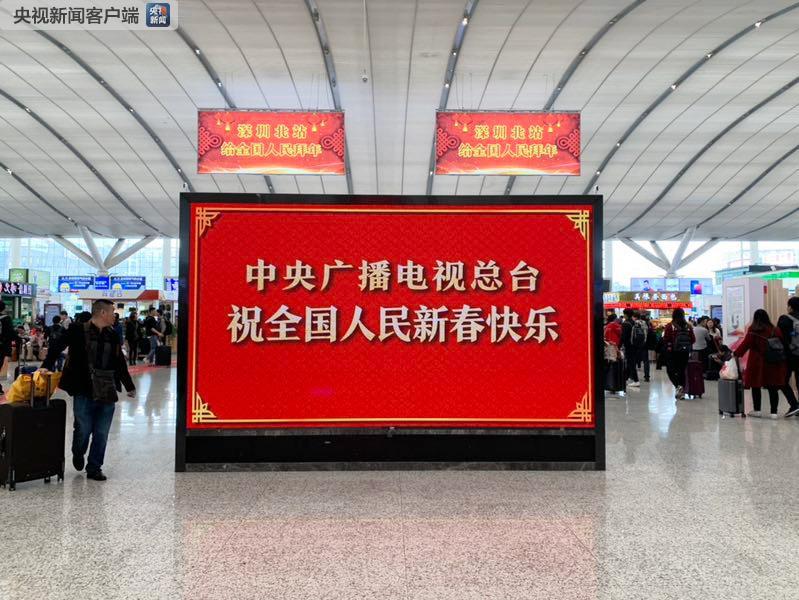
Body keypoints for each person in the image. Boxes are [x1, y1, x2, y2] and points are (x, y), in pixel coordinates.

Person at [41, 299, 135, 481]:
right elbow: (57, 346)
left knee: (102, 432)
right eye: (112, 312)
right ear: (102, 313)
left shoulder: (112, 334)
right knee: (83, 428)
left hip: (106, 388)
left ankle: (94, 467)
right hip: (83, 387)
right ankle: (78, 451)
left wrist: (129, 385)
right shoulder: (77, 330)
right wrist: (46, 365)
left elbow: (119, 362)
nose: (115, 316)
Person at [734, 309, 789, 419]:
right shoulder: (775, 329)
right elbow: (782, 344)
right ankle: (774, 413)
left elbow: (746, 344)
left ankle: (757, 410)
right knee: (773, 387)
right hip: (773, 361)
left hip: (757, 361)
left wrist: (736, 353)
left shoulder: (753, 330)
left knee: (756, 385)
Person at [663, 308, 695, 400]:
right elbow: (693, 339)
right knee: (682, 371)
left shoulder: (670, 326)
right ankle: (682, 392)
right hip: (685, 352)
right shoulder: (688, 326)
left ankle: (678, 386)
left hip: (673, 352)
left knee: (670, 370)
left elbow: (666, 339)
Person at [776, 297, 799, 418]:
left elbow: (778, 337)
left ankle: (794, 405)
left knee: (783, 381)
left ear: (790, 307)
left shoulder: (784, 319)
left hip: (788, 356)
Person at [0, 301, 18, 395]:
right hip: (2, 346)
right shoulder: (6, 318)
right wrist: (18, 339)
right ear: (3, 308)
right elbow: (11, 333)